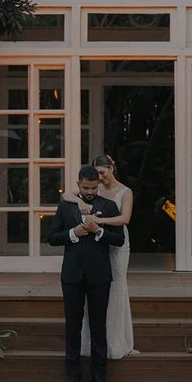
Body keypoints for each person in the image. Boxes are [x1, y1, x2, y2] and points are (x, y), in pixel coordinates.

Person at [48, 173, 125, 382]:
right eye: (85, 188)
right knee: (73, 326)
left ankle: (99, 375)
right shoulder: (66, 207)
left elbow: (120, 239)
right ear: (78, 185)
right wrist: (74, 233)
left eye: (93, 188)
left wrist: (98, 230)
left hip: (99, 275)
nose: (90, 192)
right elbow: (52, 238)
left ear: (98, 185)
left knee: (98, 326)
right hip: (72, 275)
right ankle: (73, 374)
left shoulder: (108, 206)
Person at [82, 153, 136, 361]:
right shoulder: (94, 190)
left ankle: (117, 341)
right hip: (98, 239)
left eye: (102, 173)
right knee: (97, 284)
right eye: (97, 174)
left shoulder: (125, 191)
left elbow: (125, 218)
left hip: (118, 241)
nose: (100, 177)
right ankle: (92, 341)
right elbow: (68, 195)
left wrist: (99, 220)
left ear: (111, 168)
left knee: (117, 285)